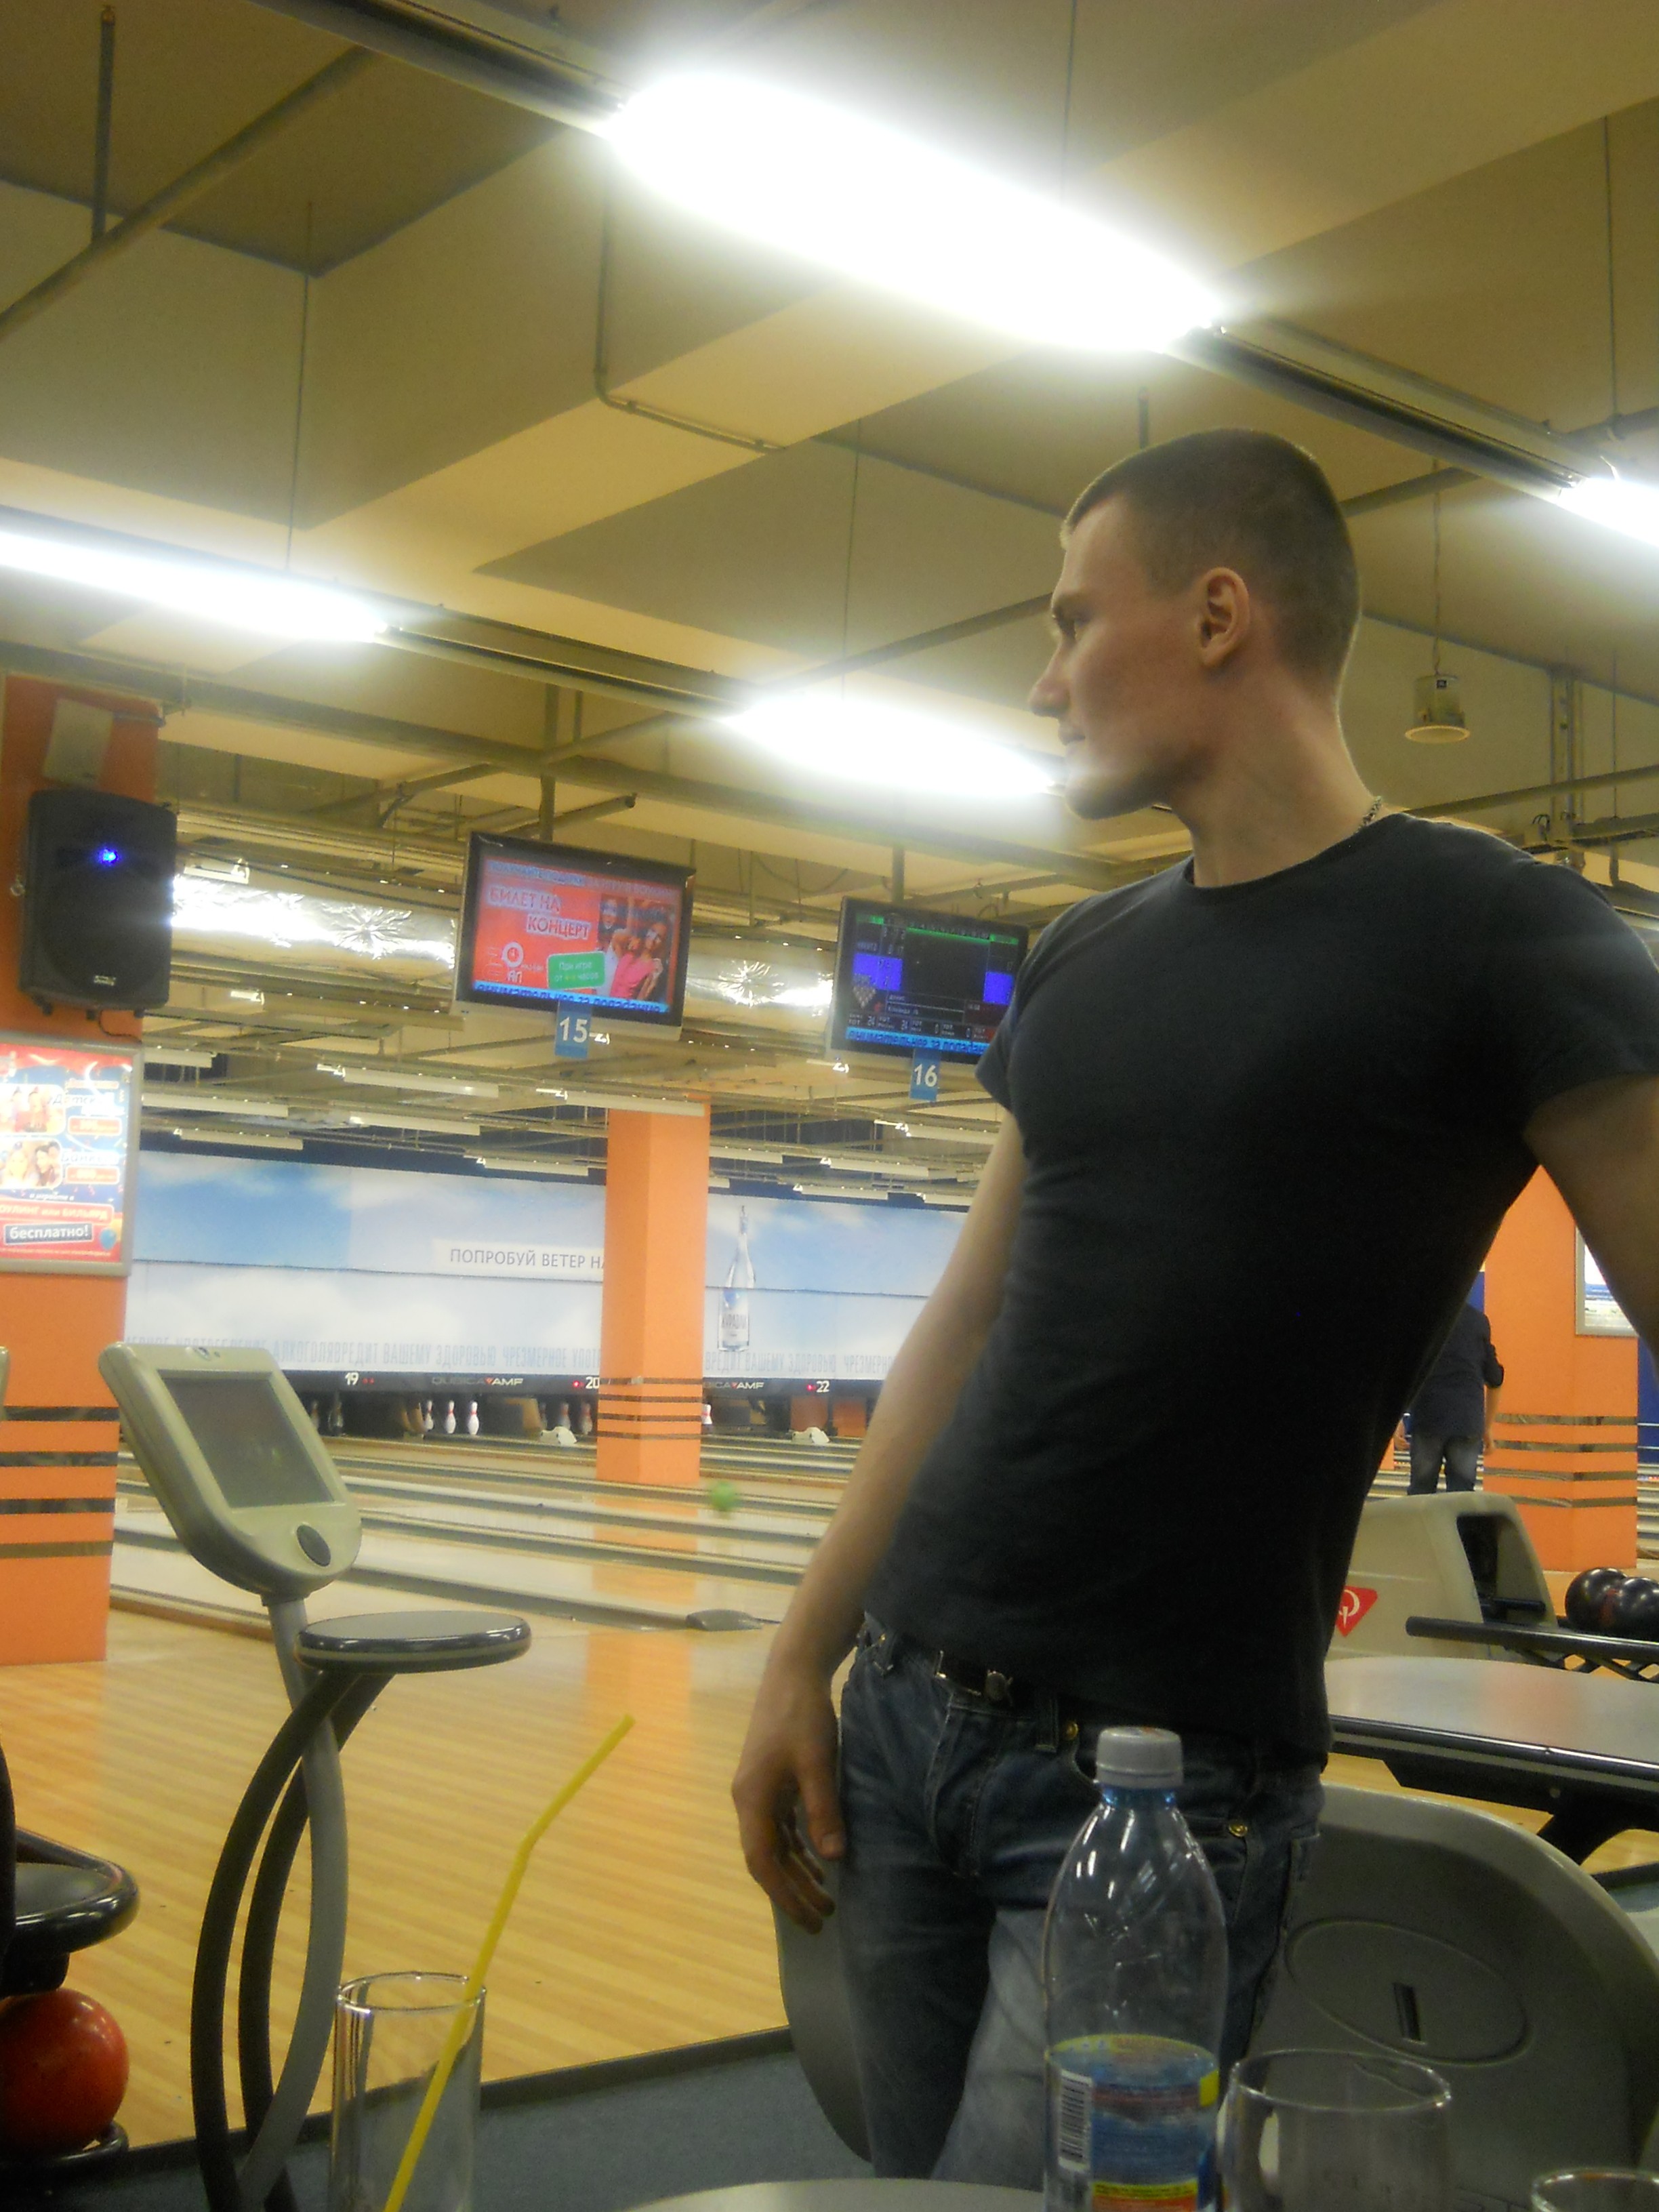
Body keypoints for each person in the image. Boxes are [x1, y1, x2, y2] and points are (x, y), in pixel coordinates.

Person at [730, 427, 1659, 2187]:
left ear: (1221, 614)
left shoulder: (1499, 936)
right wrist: (802, 1656)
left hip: (1160, 1784)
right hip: (906, 1721)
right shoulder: (1085, 956)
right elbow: (958, 1338)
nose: (1045, 679)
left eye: (1075, 621)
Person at [1407, 1300, 1504, 1492]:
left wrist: (1398, 1422)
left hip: (1428, 1418)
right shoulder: (1478, 1321)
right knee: (1462, 1495)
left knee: (1421, 1494)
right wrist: (1486, 1427)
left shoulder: (1419, 1319)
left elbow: (1404, 1375)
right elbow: (1495, 1379)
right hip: (1467, 1421)